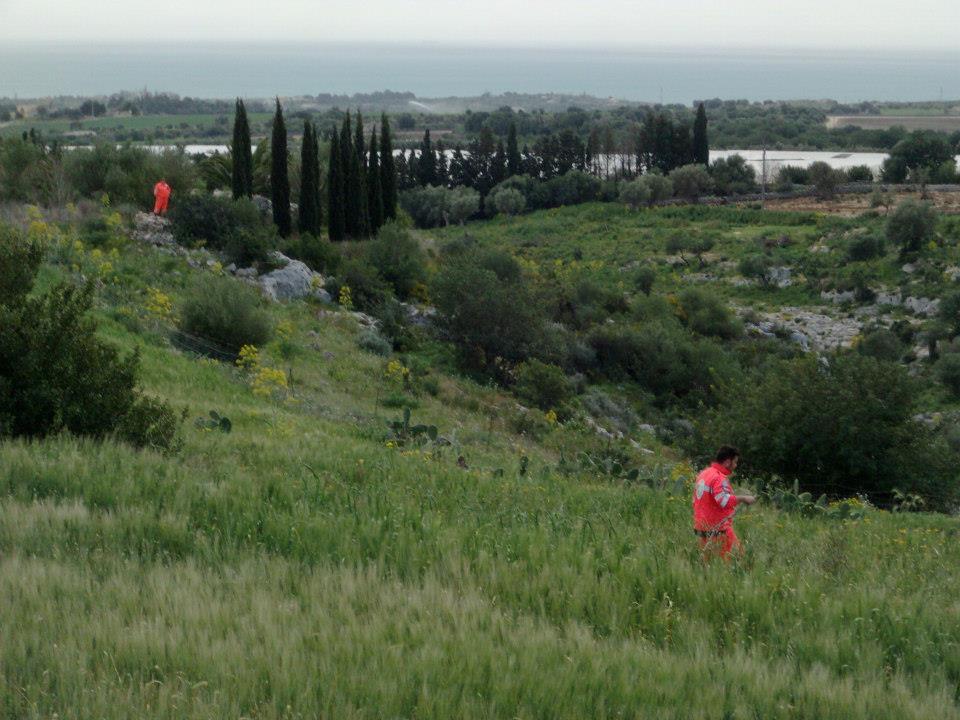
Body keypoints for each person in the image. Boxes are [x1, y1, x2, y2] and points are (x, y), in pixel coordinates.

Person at [693, 445, 756, 560]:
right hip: (719, 530)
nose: (736, 465)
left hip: (701, 529)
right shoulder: (718, 478)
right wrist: (743, 498)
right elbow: (723, 501)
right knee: (739, 560)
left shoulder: (704, 474)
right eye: (735, 462)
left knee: (708, 566)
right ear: (727, 462)